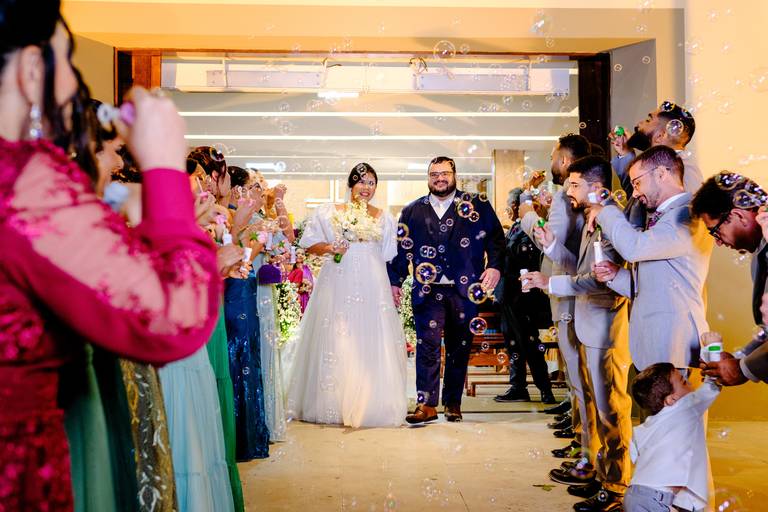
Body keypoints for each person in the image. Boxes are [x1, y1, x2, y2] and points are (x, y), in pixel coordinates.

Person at [0, 2, 220, 510]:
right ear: (32, 70)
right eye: (67, 59)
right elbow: (172, 315)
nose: (74, 83)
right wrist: (165, 166)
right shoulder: (25, 182)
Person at [524, 156, 632, 511]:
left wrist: (550, 282)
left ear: (596, 187)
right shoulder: (591, 218)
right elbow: (582, 266)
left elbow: (601, 280)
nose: (568, 191)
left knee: (612, 410)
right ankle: (602, 475)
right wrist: (551, 246)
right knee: (598, 406)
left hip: (604, 326)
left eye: (574, 184)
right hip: (589, 323)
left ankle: (616, 487)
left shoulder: (612, 220)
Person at [288, 163, 407, 428]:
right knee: (337, 336)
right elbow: (310, 245)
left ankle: (370, 401)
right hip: (338, 279)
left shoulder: (385, 217)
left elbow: (389, 254)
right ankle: (333, 401)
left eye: (371, 183)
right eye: (361, 181)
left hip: (372, 281)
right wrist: (331, 247)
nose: (366, 188)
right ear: (351, 184)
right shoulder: (329, 212)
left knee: (370, 336)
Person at [388, 156, 504, 424]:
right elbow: (401, 251)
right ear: (428, 178)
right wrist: (395, 280)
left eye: (445, 173)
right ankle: (426, 405)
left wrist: (495, 266)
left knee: (459, 347)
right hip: (427, 292)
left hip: (464, 291)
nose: (440, 178)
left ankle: (453, 403)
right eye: (434, 174)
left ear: (455, 175)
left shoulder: (477, 205)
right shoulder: (412, 211)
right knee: (427, 347)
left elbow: (497, 239)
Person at [592, 146, 713, 372]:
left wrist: (605, 211)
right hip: (653, 344)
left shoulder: (686, 215)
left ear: (661, 173)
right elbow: (654, 287)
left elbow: (634, 248)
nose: (634, 193)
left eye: (637, 183)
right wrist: (615, 275)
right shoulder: (665, 217)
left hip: (674, 344)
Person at [520, 134, 591, 451]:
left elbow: (550, 242)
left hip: (568, 291)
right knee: (577, 369)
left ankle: (583, 439)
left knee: (577, 370)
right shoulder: (571, 197)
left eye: (553, 156)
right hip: (573, 290)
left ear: (563, 160)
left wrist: (527, 213)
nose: (551, 162)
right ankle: (579, 431)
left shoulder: (566, 197)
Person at [625, 363, 720, 512]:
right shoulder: (686, 408)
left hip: (632, 495)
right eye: (683, 382)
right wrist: (713, 354)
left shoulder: (645, 426)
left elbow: (634, 455)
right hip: (657, 500)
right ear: (671, 399)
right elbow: (712, 387)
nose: (690, 383)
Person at [494, 187, 555, 404]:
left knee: (529, 343)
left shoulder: (530, 229)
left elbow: (527, 259)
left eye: (511, 205)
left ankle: (545, 389)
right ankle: (518, 386)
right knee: (512, 343)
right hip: (507, 295)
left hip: (524, 297)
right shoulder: (513, 228)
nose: (509, 209)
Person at [610, 101, 702, 228]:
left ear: (660, 136)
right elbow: (635, 200)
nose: (639, 124)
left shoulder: (684, 169)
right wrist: (625, 153)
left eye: (649, 120)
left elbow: (680, 222)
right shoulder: (661, 164)